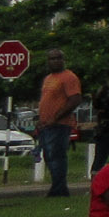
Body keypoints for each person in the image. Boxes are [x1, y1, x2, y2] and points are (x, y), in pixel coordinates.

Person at [35, 48, 83, 196]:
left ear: (64, 60)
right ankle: (57, 187)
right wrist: (41, 120)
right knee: (48, 156)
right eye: (52, 59)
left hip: (60, 124)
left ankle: (59, 190)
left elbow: (75, 99)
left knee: (56, 156)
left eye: (58, 58)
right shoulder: (48, 78)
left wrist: (56, 117)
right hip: (46, 125)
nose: (55, 61)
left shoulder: (69, 77)